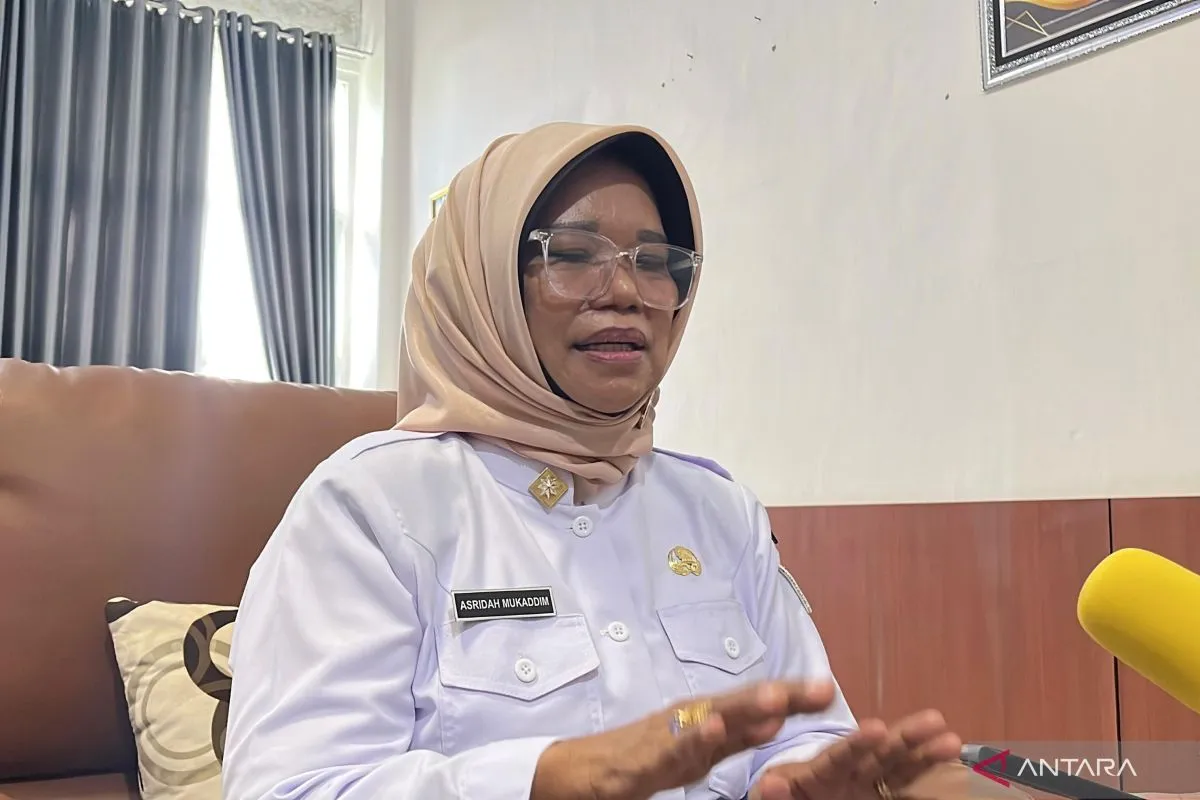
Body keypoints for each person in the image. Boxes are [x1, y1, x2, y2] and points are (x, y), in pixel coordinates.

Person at [221, 122, 972, 800]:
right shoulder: (372, 507)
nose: (626, 292)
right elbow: (293, 788)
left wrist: (807, 779)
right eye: (573, 255)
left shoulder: (719, 512)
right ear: (484, 286)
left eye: (656, 262)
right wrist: (549, 779)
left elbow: (804, 735)